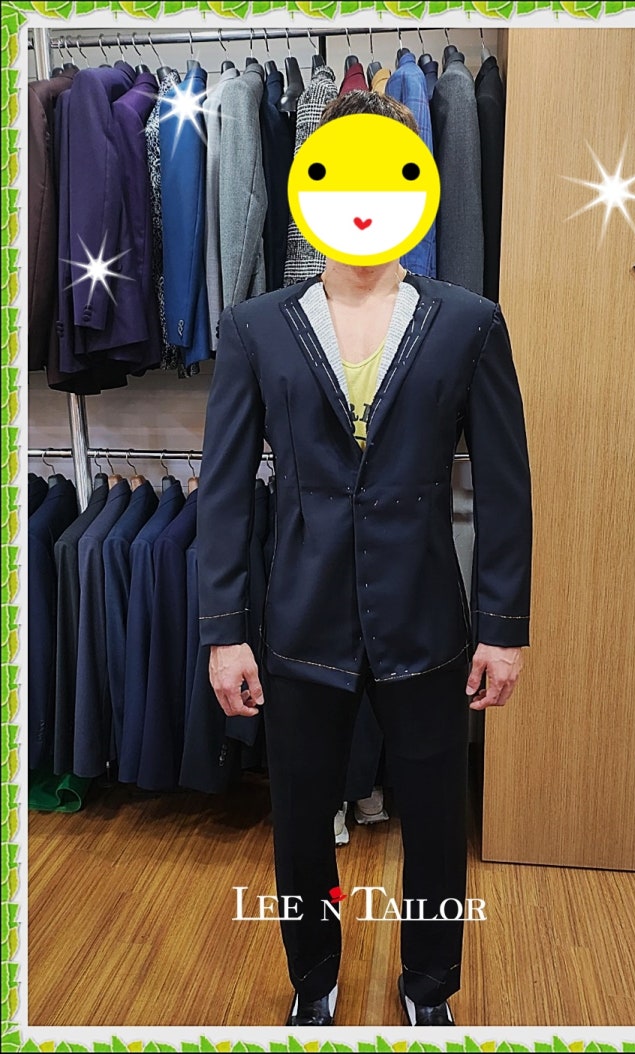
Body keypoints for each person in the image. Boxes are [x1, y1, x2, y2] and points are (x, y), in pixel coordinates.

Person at [197, 90, 532, 1028]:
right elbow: (223, 490)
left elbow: (504, 484)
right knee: (302, 820)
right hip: (298, 620)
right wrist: (224, 632)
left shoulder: (468, 322)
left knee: (435, 818)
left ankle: (429, 987)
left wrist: (503, 628)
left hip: (425, 618)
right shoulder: (255, 326)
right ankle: (313, 982)